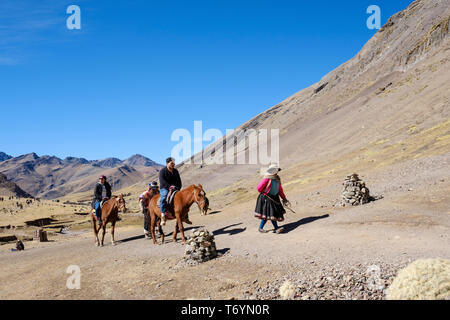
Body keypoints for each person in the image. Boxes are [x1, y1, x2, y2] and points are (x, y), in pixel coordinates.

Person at [255, 164, 290, 234]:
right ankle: (276, 228)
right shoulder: (266, 179)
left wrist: (284, 198)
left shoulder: (276, 179)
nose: (277, 172)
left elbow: (280, 191)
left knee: (270, 214)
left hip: (274, 198)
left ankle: (261, 228)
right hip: (266, 199)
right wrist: (265, 193)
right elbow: (259, 188)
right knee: (271, 214)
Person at [159, 157, 182, 222]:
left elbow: (179, 181)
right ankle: (163, 213)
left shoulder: (175, 171)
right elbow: (162, 182)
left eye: (174, 163)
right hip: (165, 188)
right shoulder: (162, 171)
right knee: (164, 197)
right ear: (167, 163)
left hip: (175, 188)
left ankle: (184, 215)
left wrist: (178, 187)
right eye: (171, 163)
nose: (173, 164)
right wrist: (169, 187)